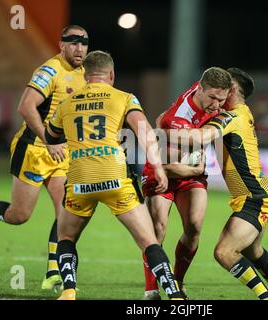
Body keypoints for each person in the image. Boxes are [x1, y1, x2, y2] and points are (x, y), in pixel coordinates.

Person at [44, 50, 185, 300]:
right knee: (149, 241)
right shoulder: (124, 98)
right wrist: (159, 167)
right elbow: (144, 132)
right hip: (115, 179)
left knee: (66, 236)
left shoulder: (66, 103)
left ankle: (68, 290)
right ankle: (174, 294)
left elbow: (51, 136)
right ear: (111, 74)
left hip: (79, 180)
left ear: (85, 76)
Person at [167, 67, 268, 300]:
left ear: (232, 90)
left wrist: (159, 133)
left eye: (225, 87)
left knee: (224, 252)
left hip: (255, 198)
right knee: (253, 250)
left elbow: (201, 136)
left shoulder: (231, 116)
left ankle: (266, 297)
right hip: (257, 194)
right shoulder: (243, 113)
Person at [0, 25, 89, 290]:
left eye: (84, 43)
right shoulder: (49, 70)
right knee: (19, 215)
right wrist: (48, 139)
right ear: (61, 45)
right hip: (33, 148)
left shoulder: (84, 75)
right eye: (73, 42)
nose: (79, 48)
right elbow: (25, 107)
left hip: (61, 153)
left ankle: (53, 271)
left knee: (66, 213)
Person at [141, 67, 232, 300]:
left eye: (221, 100)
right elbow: (167, 167)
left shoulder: (205, 89)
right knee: (157, 228)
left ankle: (178, 281)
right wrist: (195, 168)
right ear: (200, 89)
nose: (216, 105)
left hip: (190, 173)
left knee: (194, 227)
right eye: (212, 98)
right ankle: (151, 290)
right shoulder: (177, 121)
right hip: (163, 171)